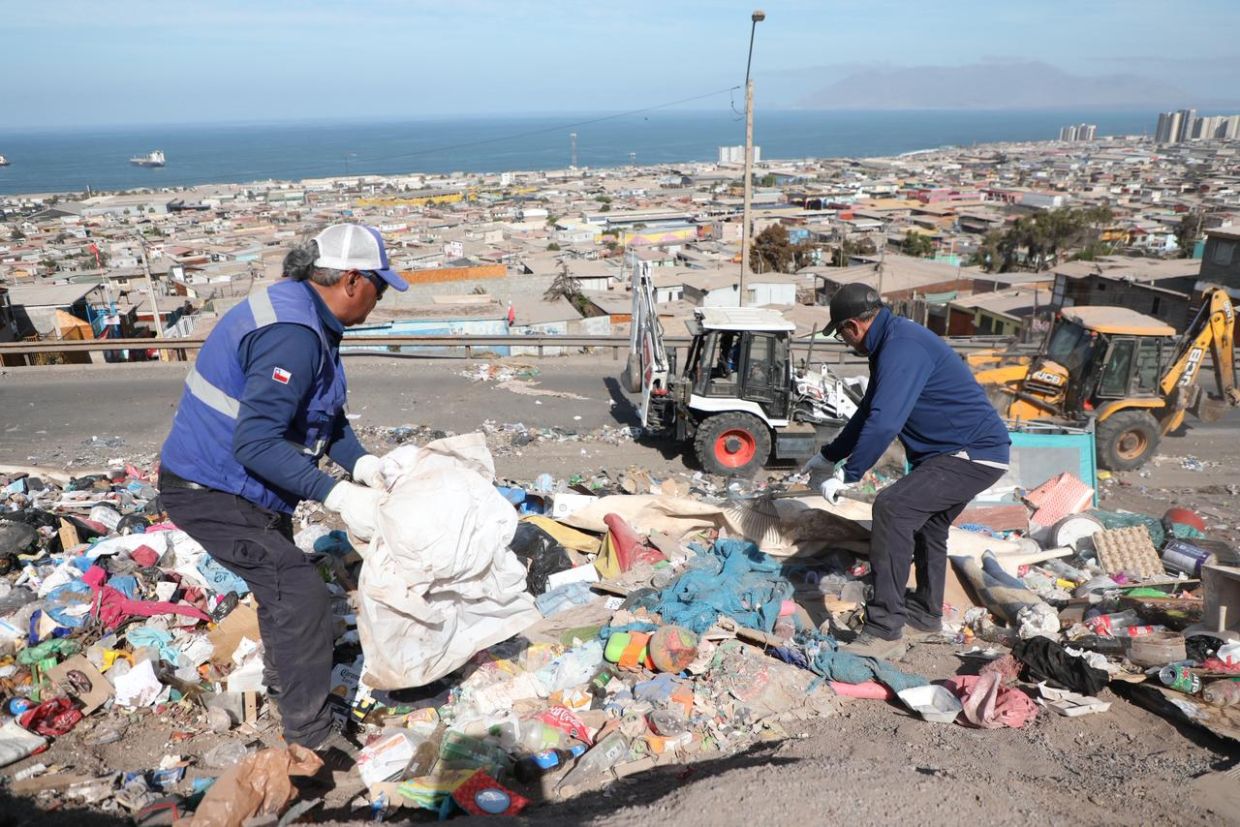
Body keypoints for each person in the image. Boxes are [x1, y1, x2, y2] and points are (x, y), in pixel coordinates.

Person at [158, 224, 408, 753]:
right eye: (379, 286)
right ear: (351, 280)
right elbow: (255, 442)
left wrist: (363, 465)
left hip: (245, 488)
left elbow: (323, 418)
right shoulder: (292, 334)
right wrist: (338, 495)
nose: (380, 298)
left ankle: (286, 690)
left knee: (283, 593)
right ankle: (311, 739)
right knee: (300, 594)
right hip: (211, 489)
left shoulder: (307, 317)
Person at [802, 283, 1010, 660]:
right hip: (962, 454)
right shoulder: (891, 343)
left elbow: (884, 423)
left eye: (841, 334)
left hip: (971, 453)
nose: (845, 341)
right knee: (928, 525)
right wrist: (829, 456)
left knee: (892, 507)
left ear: (852, 326)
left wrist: (850, 474)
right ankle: (926, 613)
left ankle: (884, 629)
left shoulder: (901, 347)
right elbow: (868, 413)